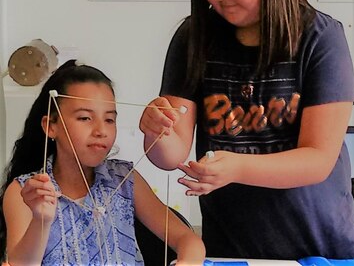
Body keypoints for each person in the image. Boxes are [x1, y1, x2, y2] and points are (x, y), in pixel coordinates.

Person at [139, 0, 354, 260]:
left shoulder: (320, 37)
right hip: (230, 244)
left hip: (317, 243)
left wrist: (238, 168)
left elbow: (318, 160)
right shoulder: (193, 37)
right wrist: (157, 130)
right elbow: (170, 156)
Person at [0, 60, 205, 265]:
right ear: (50, 126)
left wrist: (188, 261)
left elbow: (189, 240)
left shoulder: (124, 180)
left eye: (109, 120)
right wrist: (41, 220)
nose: (101, 131)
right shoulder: (24, 191)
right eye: (85, 118)